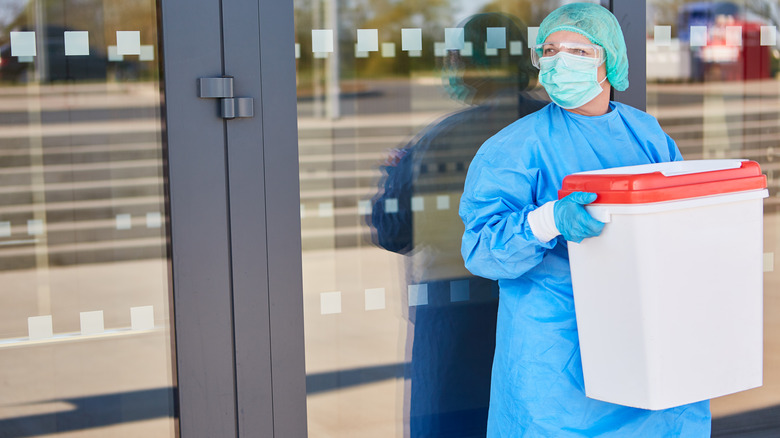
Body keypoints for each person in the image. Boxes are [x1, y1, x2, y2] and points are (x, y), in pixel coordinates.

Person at [458, 3, 711, 437]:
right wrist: (548, 220)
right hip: (556, 359)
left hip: (643, 338)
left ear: (609, 61)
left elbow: (678, 221)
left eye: (578, 51)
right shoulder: (514, 148)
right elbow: (481, 251)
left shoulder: (648, 135)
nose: (559, 62)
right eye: (551, 50)